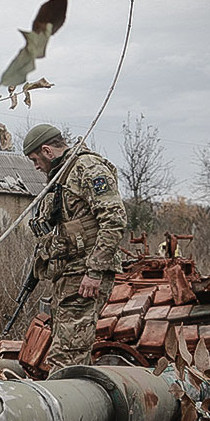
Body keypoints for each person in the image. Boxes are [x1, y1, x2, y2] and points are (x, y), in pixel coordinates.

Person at [24, 124, 127, 368]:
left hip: (85, 275)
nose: (36, 166)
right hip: (68, 273)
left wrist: (94, 272)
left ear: (48, 151)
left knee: (66, 356)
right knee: (67, 348)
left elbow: (114, 220)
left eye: (35, 159)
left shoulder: (87, 168)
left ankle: (64, 402)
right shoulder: (62, 175)